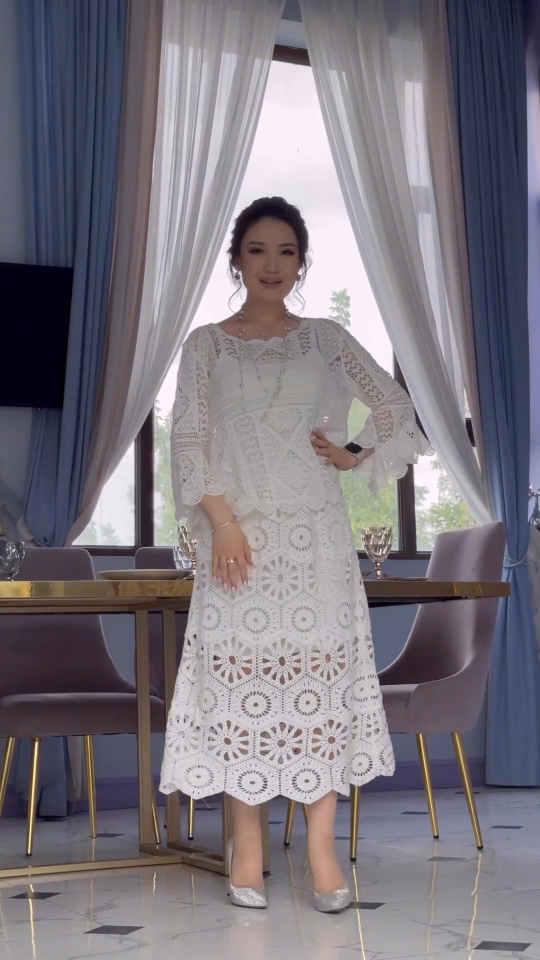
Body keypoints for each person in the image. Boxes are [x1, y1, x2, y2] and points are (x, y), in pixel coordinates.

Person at [160, 197, 429, 912]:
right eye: (258, 250)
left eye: (286, 251)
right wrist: (221, 522)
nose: (272, 264)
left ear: (301, 262)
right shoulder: (206, 347)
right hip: (238, 544)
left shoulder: (326, 340)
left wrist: (353, 453)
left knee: (321, 688)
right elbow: (189, 439)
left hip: (317, 542)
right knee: (240, 688)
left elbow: (396, 409)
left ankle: (321, 854)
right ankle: (246, 850)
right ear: (236, 260)